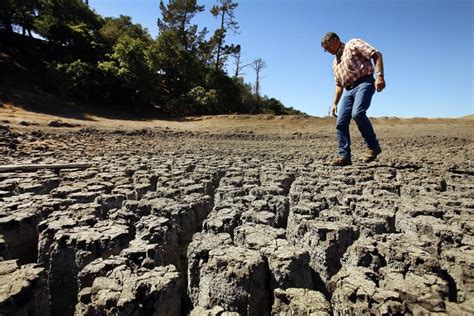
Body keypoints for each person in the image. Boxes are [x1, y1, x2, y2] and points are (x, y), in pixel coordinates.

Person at [321, 32, 385, 166]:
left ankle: (373, 146)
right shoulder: (334, 63)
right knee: (341, 122)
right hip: (348, 90)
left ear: (336, 40)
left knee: (358, 113)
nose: (328, 51)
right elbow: (339, 85)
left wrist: (379, 76)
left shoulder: (353, 44)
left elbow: (376, 54)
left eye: (328, 47)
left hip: (364, 82)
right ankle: (345, 156)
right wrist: (334, 103)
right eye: (325, 50)